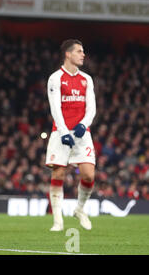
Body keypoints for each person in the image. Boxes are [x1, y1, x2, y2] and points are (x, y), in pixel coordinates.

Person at [46, 39, 96, 231]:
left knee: (88, 175)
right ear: (68, 54)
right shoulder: (55, 78)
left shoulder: (86, 79)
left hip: (82, 133)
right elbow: (55, 107)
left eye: (83, 51)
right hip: (61, 132)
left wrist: (84, 124)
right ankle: (58, 220)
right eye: (79, 51)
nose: (83, 54)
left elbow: (91, 108)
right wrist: (64, 131)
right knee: (58, 172)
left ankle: (80, 209)